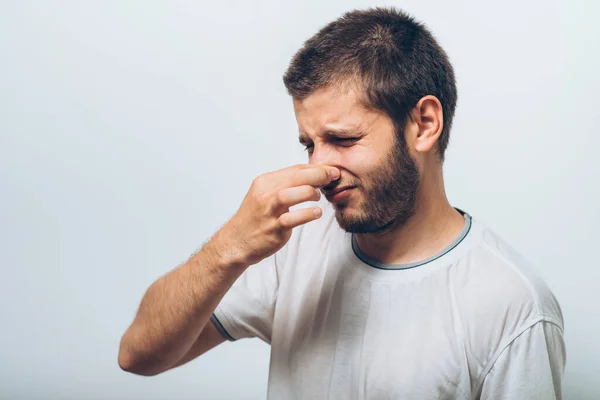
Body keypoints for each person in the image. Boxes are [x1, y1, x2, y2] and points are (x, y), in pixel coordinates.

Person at [118, 7, 566, 399]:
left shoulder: (513, 306)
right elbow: (139, 354)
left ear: (425, 124)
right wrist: (228, 248)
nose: (321, 168)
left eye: (343, 139)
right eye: (309, 144)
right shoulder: (293, 242)